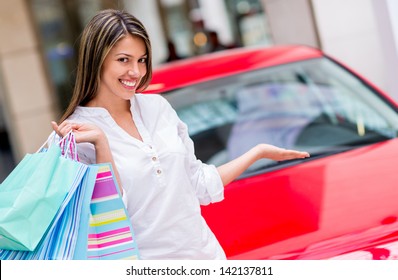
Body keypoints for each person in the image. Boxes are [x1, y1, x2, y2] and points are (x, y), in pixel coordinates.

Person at [51, 9, 310, 260]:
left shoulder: (157, 107)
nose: (136, 72)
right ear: (97, 59)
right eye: (123, 60)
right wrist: (101, 144)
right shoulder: (77, 134)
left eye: (141, 60)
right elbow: (108, 219)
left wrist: (257, 152)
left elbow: (198, 183)